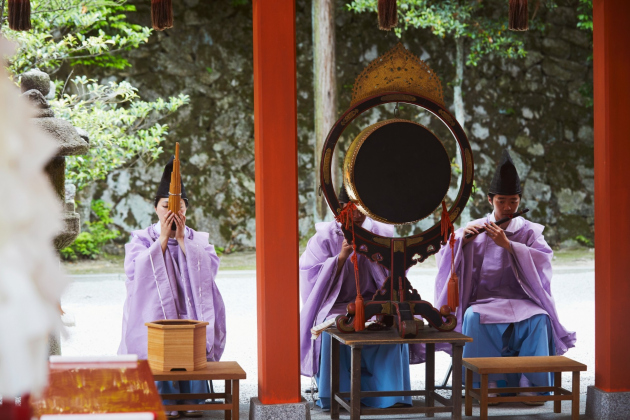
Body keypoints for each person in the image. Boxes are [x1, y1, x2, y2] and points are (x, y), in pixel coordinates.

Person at [434, 150, 575, 403]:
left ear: (520, 200)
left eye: (513, 201)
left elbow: (543, 261)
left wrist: (510, 246)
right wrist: (462, 242)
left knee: (540, 319)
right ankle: (487, 386)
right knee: (472, 316)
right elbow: (444, 258)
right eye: (502, 201)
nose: (508, 207)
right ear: (490, 200)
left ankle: (532, 387)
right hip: (485, 302)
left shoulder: (530, 232)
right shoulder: (475, 228)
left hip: (523, 302)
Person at [118, 156, 226, 419]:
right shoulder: (141, 240)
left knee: (191, 336)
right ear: (156, 208)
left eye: (178, 207)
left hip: (189, 308)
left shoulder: (197, 239)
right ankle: (163, 400)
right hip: (152, 311)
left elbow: (210, 270)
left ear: (186, 210)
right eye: (166, 206)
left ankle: (193, 400)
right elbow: (134, 270)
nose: (172, 212)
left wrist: (181, 241)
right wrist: (163, 241)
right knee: (157, 341)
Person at [299, 186, 417, 410]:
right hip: (336, 305)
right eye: (349, 206)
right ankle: (335, 394)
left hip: (374, 302)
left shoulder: (382, 232)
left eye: (361, 206)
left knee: (390, 323)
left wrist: (374, 254)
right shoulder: (324, 237)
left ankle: (388, 395)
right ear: (339, 207)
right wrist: (340, 258)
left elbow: (398, 272)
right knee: (334, 331)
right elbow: (309, 277)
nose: (356, 212)